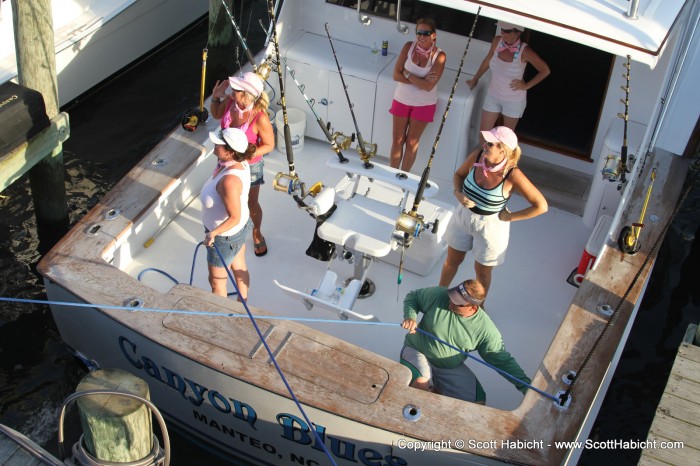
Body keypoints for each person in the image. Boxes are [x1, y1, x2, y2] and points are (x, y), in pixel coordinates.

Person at [439, 126, 547, 298]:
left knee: (482, 273)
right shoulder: (477, 156)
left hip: (490, 226)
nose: (484, 146)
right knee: (451, 262)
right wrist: (458, 193)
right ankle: (438, 294)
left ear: (502, 150)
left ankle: (479, 308)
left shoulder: (513, 174)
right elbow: (459, 175)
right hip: (463, 217)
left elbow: (541, 205)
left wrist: (510, 216)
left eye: (490, 144)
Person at [400, 279, 530, 403]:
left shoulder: (486, 331)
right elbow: (413, 297)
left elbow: (503, 361)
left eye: (457, 303)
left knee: (478, 401)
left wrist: (526, 387)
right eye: (452, 296)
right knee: (421, 384)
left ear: (473, 308)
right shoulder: (440, 295)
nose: (450, 303)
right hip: (416, 349)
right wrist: (410, 317)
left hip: (447, 367)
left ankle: (435, 389)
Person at [210, 71, 274, 257]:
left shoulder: (260, 118)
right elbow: (215, 114)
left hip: (250, 166)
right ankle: (232, 229)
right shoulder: (230, 102)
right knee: (228, 198)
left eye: (236, 90)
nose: (231, 92)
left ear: (246, 95)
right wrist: (215, 96)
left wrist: (248, 153)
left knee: (250, 203)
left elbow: (269, 145)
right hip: (225, 162)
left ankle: (256, 232)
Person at [201, 128, 256, 300]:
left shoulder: (230, 182)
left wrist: (213, 233)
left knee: (216, 282)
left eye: (218, 144)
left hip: (224, 238)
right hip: (238, 232)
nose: (215, 145)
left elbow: (234, 217)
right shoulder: (239, 162)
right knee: (240, 266)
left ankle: (222, 319)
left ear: (230, 152)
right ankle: (242, 303)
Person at [467, 21, 550, 132]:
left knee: (505, 138)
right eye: (502, 29)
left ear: (517, 33)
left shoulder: (525, 51)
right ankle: (485, 150)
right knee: (484, 133)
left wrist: (526, 86)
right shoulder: (497, 41)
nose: (503, 32)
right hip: (493, 94)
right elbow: (487, 60)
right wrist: (475, 78)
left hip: (513, 100)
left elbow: (545, 70)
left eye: (507, 30)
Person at [389, 17, 446, 171]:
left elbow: (428, 87)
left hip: (424, 105)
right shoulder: (408, 46)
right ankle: (391, 174)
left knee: (412, 142)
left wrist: (407, 74)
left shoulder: (439, 56)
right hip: (401, 99)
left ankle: (403, 176)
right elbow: (395, 75)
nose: (422, 36)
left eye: (426, 33)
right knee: (397, 140)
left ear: (434, 35)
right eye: (419, 33)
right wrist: (421, 80)